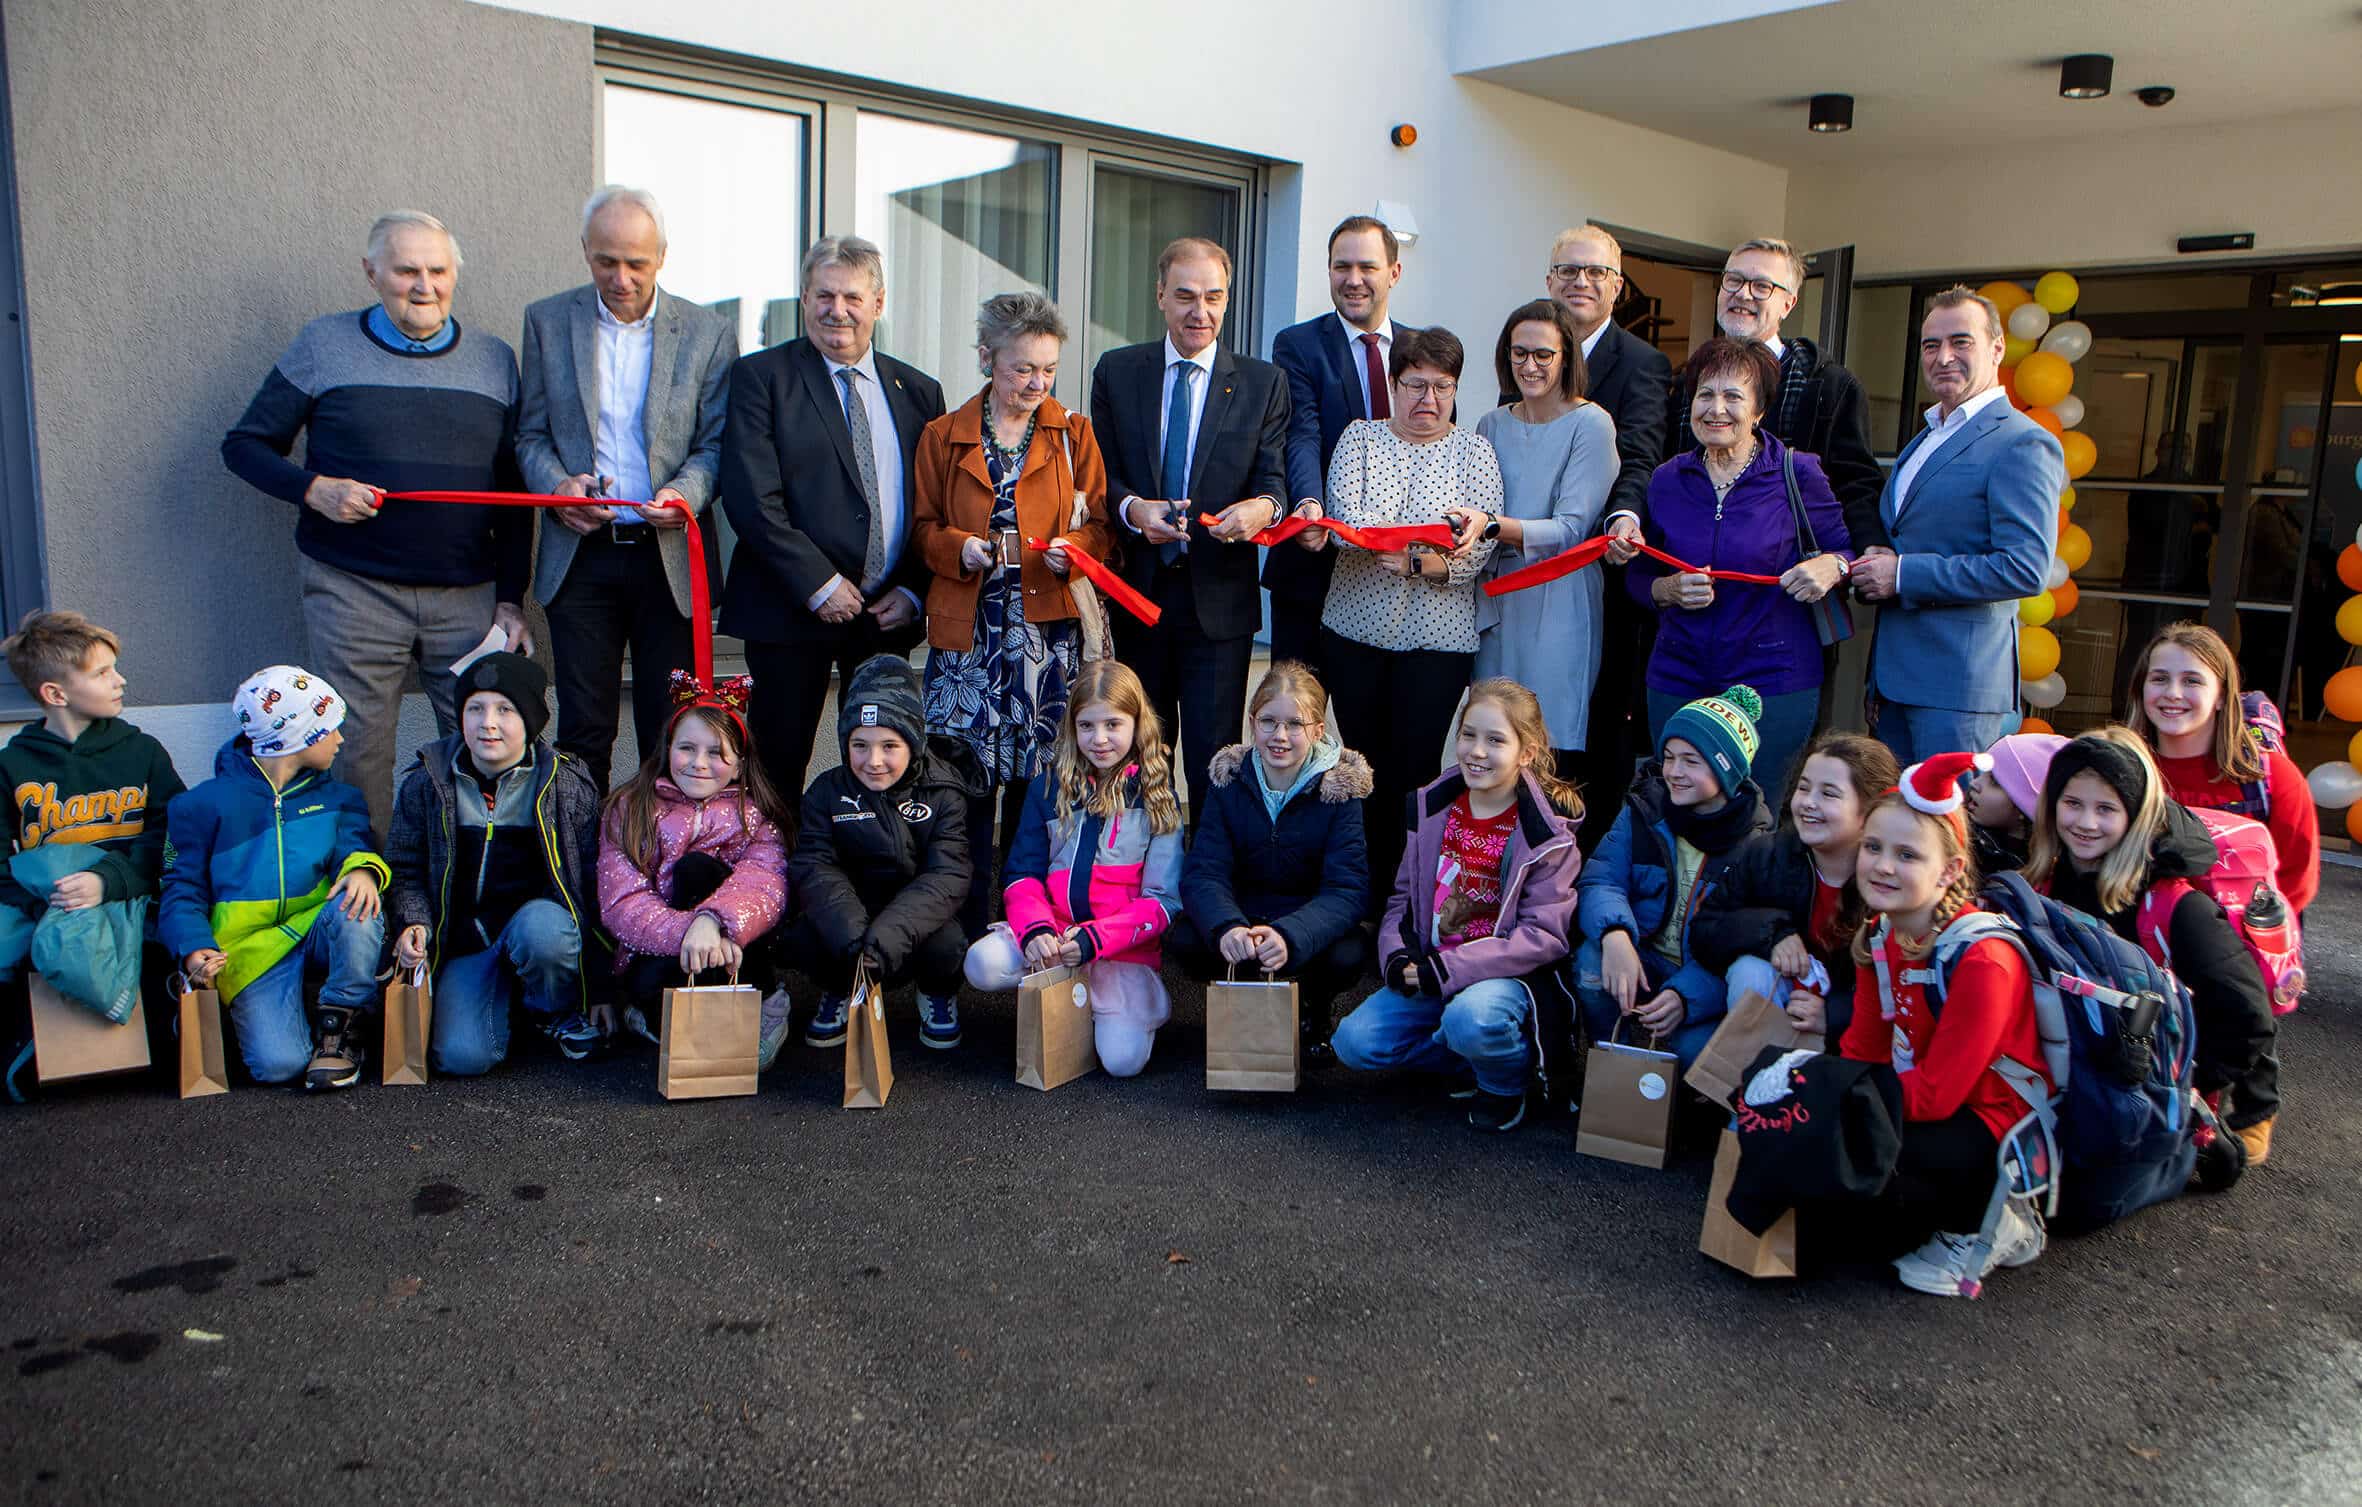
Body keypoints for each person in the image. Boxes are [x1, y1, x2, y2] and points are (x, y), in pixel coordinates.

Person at [221, 210, 532, 840]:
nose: (424, 286)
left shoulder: (495, 360)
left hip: (467, 596)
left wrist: (510, 598)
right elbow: (244, 445)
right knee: (357, 754)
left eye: (438, 271)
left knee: (483, 748)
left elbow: (515, 491)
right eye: (406, 270)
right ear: (371, 273)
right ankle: (370, 888)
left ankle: (468, 881)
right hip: (353, 590)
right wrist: (314, 490)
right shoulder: (323, 345)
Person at [517, 185, 738, 792]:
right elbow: (529, 435)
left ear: (662, 255)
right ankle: (579, 850)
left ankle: (657, 849)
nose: (621, 278)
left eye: (636, 263)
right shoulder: (546, 321)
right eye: (606, 261)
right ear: (584, 251)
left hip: (669, 559)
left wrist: (683, 495)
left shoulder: (709, 332)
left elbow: (717, 444)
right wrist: (559, 488)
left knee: (671, 730)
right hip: (580, 557)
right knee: (582, 730)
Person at [912, 292, 1111, 939]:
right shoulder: (943, 435)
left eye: (1048, 369)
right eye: (1023, 368)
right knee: (963, 792)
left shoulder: (1073, 433)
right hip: (967, 640)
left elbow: (1101, 528)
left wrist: (1072, 551)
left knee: (1038, 793)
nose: (1037, 383)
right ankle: (962, 937)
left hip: (1046, 641)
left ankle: (1030, 931)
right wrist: (959, 548)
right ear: (986, 358)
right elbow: (921, 531)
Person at [719, 236, 947, 799]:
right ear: (804, 298)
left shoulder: (920, 392)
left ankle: (865, 858)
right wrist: (818, 583)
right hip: (789, 608)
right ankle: (774, 860)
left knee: (882, 772)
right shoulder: (761, 378)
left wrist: (913, 589)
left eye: (852, 297)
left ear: (878, 303)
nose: (836, 310)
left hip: (885, 616)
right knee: (777, 768)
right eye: (823, 295)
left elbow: (936, 505)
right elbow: (751, 498)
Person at [1834, 753, 2051, 1298]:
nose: (1882, 866)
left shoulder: (1984, 960)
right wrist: (1829, 1098)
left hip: (1994, 1120)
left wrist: (1848, 1107)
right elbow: (1864, 1049)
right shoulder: (1881, 932)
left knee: (1859, 1161)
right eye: (1873, 847)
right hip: (1928, 1098)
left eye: (1907, 854)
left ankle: (1990, 1221)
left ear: (1950, 870)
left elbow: (1937, 1095)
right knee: (1831, 1173)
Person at [1330, 679, 1583, 1133]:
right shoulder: (1433, 808)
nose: (1477, 751)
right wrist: (1397, 957)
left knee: (1471, 1017)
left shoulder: (1547, 835)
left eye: (1496, 740)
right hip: (1433, 971)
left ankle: (1503, 1083)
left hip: (1501, 981)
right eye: (1469, 735)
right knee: (1354, 1042)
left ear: (1527, 753)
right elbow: (1402, 900)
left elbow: (1543, 936)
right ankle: (1470, 1057)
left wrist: (1448, 971)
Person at [1091, 237, 1288, 811]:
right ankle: (1135, 862)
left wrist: (1261, 510)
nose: (1199, 312)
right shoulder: (1118, 372)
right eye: (1184, 296)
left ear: (1227, 301)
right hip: (1137, 599)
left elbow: (1274, 482)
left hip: (1218, 608)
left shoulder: (1262, 382)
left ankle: (1206, 866)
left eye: (1213, 297)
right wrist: (1134, 510)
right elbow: (1100, 475)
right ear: (1160, 295)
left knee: (1214, 764)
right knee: (1135, 760)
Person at [2023, 728, 2278, 1169]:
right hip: (2070, 1080)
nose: (2086, 822)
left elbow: (2249, 1017)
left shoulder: (2177, 909)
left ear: (2137, 814)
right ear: (2050, 805)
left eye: (2106, 809)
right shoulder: (2040, 884)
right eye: (2072, 803)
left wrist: (2185, 1083)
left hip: (2143, 1094)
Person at [1308, 325, 1497, 913]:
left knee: (1417, 771)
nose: (1428, 399)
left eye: (1443, 387)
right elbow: (1347, 524)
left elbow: (1480, 544)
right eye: (1416, 384)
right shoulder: (1360, 439)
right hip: (1355, 634)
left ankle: (1409, 897)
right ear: (1393, 384)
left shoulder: (1474, 451)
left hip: (1438, 646)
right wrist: (1429, 542)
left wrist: (1423, 561)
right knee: (1361, 765)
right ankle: (1356, 896)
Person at [1630, 337, 1852, 793]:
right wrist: (1666, 590)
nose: (1717, 409)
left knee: (1758, 808)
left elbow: (1847, 551)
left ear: (1759, 410)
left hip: (1774, 678)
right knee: (1678, 803)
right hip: (1678, 672)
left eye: (1733, 396)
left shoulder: (1797, 472)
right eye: (1705, 395)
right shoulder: (1666, 479)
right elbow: (1636, 575)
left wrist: (1832, 567)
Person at [1851, 288, 2062, 765]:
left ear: (1997, 348)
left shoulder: (2022, 443)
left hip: (1959, 694)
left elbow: (2024, 568)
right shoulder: (1928, 437)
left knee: (1951, 816)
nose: (1943, 357)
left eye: (1961, 342)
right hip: (1894, 685)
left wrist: (1903, 574)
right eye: (1931, 345)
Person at [157, 667, 388, 1090]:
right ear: (298, 736)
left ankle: (342, 1028)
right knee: (278, 1066)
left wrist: (361, 870)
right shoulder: (199, 806)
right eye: (329, 729)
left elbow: (354, 846)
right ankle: (265, 1021)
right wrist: (192, 946)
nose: (340, 739)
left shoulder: (341, 798)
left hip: (315, 924)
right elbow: (180, 887)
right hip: (252, 950)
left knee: (358, 907)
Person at [962, 662, 1183, 1078]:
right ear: (1072, 727)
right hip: (1057, 936)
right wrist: (1036, 931)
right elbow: (1022, 874)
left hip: (1118, 949)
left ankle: (1118, 1008)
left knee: (1122, 1061)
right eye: (1086, 726)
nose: (1099, 739)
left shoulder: (1158, 798)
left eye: (1113, 724)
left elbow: (1162, 902)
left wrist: (1096, 939)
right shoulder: (1047, 788)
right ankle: (1065, 997)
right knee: (980, 963)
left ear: (1137, 724)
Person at [387, 653, 602, 1076]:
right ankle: (501, 1004)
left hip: (535, 930)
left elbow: (593, 882)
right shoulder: (427, 782)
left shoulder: (565, 784)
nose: (488, 723)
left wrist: (603, 988)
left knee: (547, 932)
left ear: (532, 720)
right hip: (467, 944)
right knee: (462, 1058)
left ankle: (552, 1010)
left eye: (505, 710)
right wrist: (414, 921)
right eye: (475, 708)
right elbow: (403, 867)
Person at [0, 612, 187, 1095]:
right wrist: (45, 903)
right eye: (102, 673)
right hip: (53, 905)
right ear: (55, 694)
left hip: (134, 896)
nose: (120, 680)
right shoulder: (12, 764)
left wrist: (108, 881)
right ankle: (25, 1057)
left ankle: (157, 1046)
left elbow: (174, 835)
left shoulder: (142, 751)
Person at [1542, 226, 1674, 846]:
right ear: (1549, 280)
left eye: (1596, 272)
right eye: (1569, 270)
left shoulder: (1643, 364)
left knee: (1595, 736)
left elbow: (1641, 456)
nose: (1581, 282)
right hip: (1528, 577)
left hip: (1601, 577)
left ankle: (1583, 870)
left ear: (1617, 287)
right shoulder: (1529, 350)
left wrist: (1622, 516)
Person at [1173, 661, 1373, 1064]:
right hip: (1243, 916)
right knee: (1185, 938)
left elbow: (1347, 890)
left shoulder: (1340, 792)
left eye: (1295, 724)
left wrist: (1290, 935)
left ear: (1317, 730)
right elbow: (1204, 871)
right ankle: (1246, 1005)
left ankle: (1313, 1008)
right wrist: (1228, 926)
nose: (1280, 736)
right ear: (1252, 722)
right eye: (1268, 721)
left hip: (1304, 922)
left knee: (1350, 951)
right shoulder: (1228, 781)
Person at [1573, 685, 1773, 1069]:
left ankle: (1677, 1088)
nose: (1674, 772)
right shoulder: (1645, 810)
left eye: (1691, 761)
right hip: (1642, 955)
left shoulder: (1755, 847)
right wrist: (1616, 934)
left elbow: (1739, 943)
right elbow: (1601, 879)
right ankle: (1608, 1061)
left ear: (1725, 769)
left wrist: (1686, 996)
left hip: (1701, 974)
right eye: (1668, 757)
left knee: (1693, 1051)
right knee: (1591, 963)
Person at [596, 673, 790, 1063]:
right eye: (687, 748)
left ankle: (767, 1003)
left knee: (698, 870)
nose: (699, 763)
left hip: (736, 954)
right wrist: (691, 933)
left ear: (738, 766)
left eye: (716, 753)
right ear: (668, 750)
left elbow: (765, 886)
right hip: (659, 955)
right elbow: (622, 901)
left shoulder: (756, 816)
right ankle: (648, 1014)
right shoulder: (630, 809)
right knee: (674, 1021)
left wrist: (714, 921)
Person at [785, 656, 974, 1055]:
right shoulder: (826, 792)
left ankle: (935, 992)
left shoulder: (943, 791)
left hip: (912, 924)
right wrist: (851, 935)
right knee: (804, 937)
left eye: (889, 746)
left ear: (913, 743)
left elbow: (947, 875)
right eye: (860, 745)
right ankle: (840, 988)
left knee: (950, 943)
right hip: (851, 923)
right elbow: (815, 867)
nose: (873, 761)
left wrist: (888, 936)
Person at [1470, 299, 1630, 768]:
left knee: (1547, 744)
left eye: (1543, 354)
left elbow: (1571, 529)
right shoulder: (1491, 423)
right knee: (1491, 738)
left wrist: (1491, 526)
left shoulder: (1592, 424)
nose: (1530, 365)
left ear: (1566, 358)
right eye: (1519, 353)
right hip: (1495, 600)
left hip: (1559, 598)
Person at [1268, 215, 1412, 669]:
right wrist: (1309, 501)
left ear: (1394, 272)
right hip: (1314, 561)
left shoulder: (1421, 350)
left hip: (1396, 575)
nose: (1353, 279)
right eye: (1341, 267)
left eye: (1367, 267)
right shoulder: (1298, 345)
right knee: (1296, 704)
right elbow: (1302, 433)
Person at [1676, 238, 1886, 550]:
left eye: (1762, 286)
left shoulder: (1829, 387)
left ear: (1788, 304)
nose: (1743, 294)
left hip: (1787, 569)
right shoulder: (1688, 380)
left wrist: (1868, 547)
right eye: (1733, 280)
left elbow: (1855, 484)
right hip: (1692, 562)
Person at [1691, 732, 1897, 1043]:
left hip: (1862, 1035)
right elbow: (1705, 930)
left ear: (1869, 810)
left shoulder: (1889, 877)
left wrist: (1834, 1015)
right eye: (1804, 787)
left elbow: (1902, 982)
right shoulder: (1769, 853)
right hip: (1783, 1011)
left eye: (1829, 794)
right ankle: (1756, 1072)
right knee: (1750, 973)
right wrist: (1772, 933)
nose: (1809, 803)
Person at [2125, 621, 2318, 913]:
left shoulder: (2274, 778)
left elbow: (2295, 883)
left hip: (2243, 935)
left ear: (2222, 696)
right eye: (2160, 678)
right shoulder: (2119, 770)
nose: (2173, 693)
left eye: (2192, 681)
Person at [1964, 731, 2065, 877]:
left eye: (1995, 782)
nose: (1974, 783)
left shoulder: (2007, 867)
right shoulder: (1965, 834)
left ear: (2022, 807)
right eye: (1983, 774)